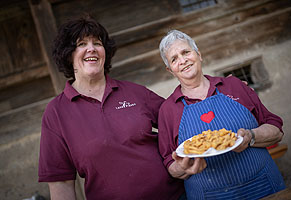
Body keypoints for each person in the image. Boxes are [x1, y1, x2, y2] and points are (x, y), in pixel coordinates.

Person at [38, 15, 184, 200]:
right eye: (82, 44)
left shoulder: (134, 92)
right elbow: (61, 183)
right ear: (68, 54)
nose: (91, 48)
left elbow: (178, 122)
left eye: (97, 43)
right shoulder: (56, 113)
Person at [158, 30, 286, 200]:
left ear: (199, 54)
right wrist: (183, 168)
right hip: (208, 196)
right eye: (174, 59)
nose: (182, 61)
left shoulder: (234, 85)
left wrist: (251, 136)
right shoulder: (168, 110)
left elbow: (276, 131)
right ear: (170, 70)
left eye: (186, 52)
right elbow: (170, 163)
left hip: (265, 186)